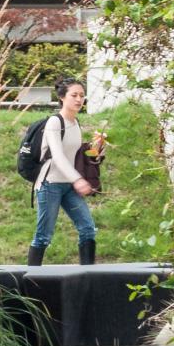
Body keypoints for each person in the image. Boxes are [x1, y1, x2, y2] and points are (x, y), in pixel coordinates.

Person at [26, 76, 106, 267]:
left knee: (88, 228)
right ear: (62, 97)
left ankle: (89, 276)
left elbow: (76, 154)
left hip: (69, 186)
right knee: (44, 236)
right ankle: (30, 281)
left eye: (82, 96)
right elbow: (58, 156)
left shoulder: (75, 123)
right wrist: (78, 180)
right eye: (74, 95)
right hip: (50, 184)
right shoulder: (54, 122)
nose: (79, 100)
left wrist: (98, 149)